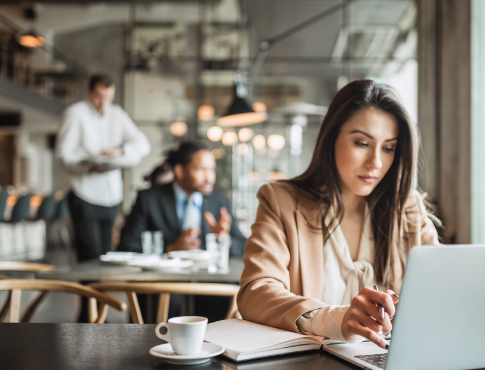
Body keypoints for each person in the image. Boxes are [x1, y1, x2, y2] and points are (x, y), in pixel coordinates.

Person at [237, 79, 440, 349]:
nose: (376, 163)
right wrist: (335, 319)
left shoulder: (407, 208)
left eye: (389, 148)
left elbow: (442, 287)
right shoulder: (282, 201)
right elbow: (256, 292)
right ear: (331, 138)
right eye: (361, 143)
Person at [56, 73, 150, 262]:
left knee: (106, 255)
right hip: (84, 194)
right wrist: (86, 167)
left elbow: (143, 144)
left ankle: (98, 292)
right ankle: (87, 292)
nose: (103, 103)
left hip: (111, 197)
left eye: (108, 97)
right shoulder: (75, 114)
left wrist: (119, 150)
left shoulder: (117, 114)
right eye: (99, 97)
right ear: (88, 91)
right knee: (89, 255)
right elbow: (63, 154)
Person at [118, 140, 246, 257]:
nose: (209, 178)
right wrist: (170, 249)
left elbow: (245, 246)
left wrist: (222, 240)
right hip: (164, 279)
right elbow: (126, 245)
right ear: (179, 171)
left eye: (211, 170)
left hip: (207, 279)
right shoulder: (149, 199)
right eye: (201, 169)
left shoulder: (220, 202)